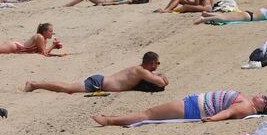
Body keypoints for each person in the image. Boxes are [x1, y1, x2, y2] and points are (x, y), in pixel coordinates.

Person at [92, 90, 267, 126]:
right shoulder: (247, 104)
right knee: (149, 113)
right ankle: (113, 117)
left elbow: (228, 112)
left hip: (192, 109)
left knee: (148, 114)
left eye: (264, 99)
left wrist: (212, 119)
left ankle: (109, 121)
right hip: (193, 105)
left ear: (261, 108)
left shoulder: (246, 107)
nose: (262, 96)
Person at [25, 52, 167, 94]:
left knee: (67, 88)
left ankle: (35, 84)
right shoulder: (141, 71)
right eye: (157, 64)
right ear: (152, 62)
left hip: (100, 82)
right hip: (98, 84)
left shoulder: (139, 69)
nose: (157, 67)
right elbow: (161, 82)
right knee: (67, 88)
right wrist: (160, 76)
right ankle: (34, 84)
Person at [194, 0, 267, 24]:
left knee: (227, 16)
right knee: (226, 19)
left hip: (248, 13)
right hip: (249, 17)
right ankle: (204, 19)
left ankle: (207, 15)